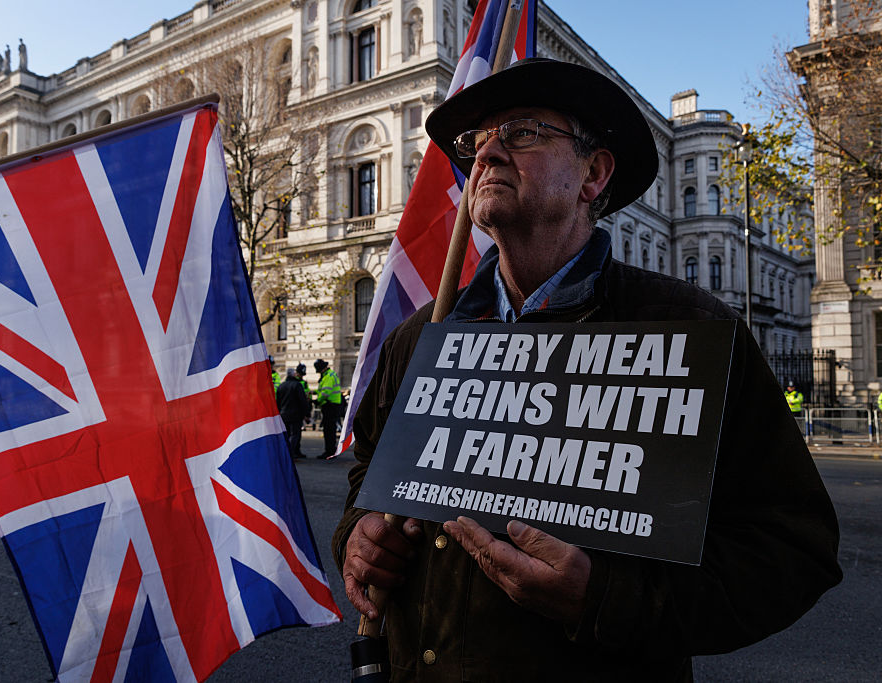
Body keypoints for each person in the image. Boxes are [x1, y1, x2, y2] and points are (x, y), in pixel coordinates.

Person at [331, 58, 841, 680]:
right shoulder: (421, 339)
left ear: (593, 174)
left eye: (520, 133)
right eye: (476, 142)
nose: (486, 155)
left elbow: (792, 550)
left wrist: (604, 599)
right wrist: (357, 537)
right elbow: (370, 475)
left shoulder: (687, 331)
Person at [276, 367, 310, 460]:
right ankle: (290, 454)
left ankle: (286, 453)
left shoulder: (281, 386)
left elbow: (277, 402)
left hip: (283, 414)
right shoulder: (297, 385)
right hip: (295, 415)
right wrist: (307, 414)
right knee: (295, 435)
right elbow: (302, 401)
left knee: (286, 435)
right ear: (294, 374)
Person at [313, 358, 342, 458]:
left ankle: (329, 451)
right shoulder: (329, 375)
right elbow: (323, 390)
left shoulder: (328, 376)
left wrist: (317, 401)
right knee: (331, 429)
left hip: (330, 406)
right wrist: (314, 393)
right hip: (333, 405)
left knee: (328, 430)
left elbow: (325, 393)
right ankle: (332, 450)